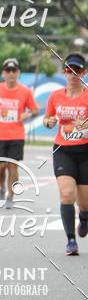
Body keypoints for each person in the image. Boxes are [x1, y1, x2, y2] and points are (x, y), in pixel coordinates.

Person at [43, 52, 88, 256]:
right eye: (69, 70)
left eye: (76, 70)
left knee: (85, 202)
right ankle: (71, 240)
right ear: (64, 72)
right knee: (67, 193)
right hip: (63, 150)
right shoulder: (55, 96)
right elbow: (47, 118)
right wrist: (49, 122)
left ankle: (85, 217)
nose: (72, 74)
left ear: (83, 73)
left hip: (85, 151)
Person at [0, 58, 39, 209]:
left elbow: (35, 110)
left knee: (12, 166)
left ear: (18, 73)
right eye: (8, 71)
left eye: (14, 70)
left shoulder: (25, 91)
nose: (11, 73)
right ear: (3, 73)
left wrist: (28, 115)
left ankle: (11, 195)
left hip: (16, 135)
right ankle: (2, 188)